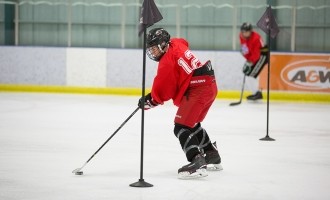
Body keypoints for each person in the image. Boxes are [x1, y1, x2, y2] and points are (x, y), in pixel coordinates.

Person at [138, 28, 222, 179]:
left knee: (181, 127)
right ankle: (211, 153)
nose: (153, 52)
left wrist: (151, 100)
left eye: (155, 48)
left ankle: (196, 161)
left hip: (199, 88)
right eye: (151, 49)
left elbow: (164, 89)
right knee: (191, 123)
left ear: (163, 44)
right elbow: (184, 42)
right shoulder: (176, 43)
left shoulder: (166, 61)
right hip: (209, 84)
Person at [239, 22, 269, 100]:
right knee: (247, 73)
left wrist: (250, 62)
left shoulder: (256, 38)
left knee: (252, 73)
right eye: (243, 31)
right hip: (254, 56)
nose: (244, 33)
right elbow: (245, 49)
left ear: (250, 31)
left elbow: (256, 54)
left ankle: (257, 93)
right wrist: (247, 58)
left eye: (246, 31)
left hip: (263, 55)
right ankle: (256, 93)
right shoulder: (241, 36)